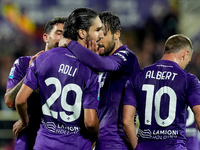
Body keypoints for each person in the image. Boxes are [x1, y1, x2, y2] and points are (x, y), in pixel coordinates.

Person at [15, 7, 103, 150]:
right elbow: (90, 122)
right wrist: (95, 137)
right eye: (97, 30)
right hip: (76, 145)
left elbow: (20, 100)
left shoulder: (43, 58)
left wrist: (25, 121)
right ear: (82, 33)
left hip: (44, 144)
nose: (100, 35)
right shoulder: (90, 69)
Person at [59, 11, 140, 150]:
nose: (99, 39)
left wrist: (70, 44)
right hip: (98, 139)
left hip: (116, 141)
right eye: (97, 34)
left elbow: (103, 64)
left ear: (117, 34)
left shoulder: (127, 57)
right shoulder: (98, 60)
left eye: (104, 35)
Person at [122, 34, 200, 150]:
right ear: (184, 54)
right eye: (188, 60)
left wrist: (137, 147)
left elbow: (127, 120)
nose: (186, 64)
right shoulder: (189, 80)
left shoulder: (137, 76)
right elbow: (198, 114)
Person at [4, 17, 67, 150]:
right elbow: (9, 101)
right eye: (59, 33)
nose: (62, 39)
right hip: (28, 138)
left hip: (58, 140)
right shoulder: (23, 64)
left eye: (66, 35)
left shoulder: (71, 70)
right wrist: (30, 74)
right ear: (46, 37)